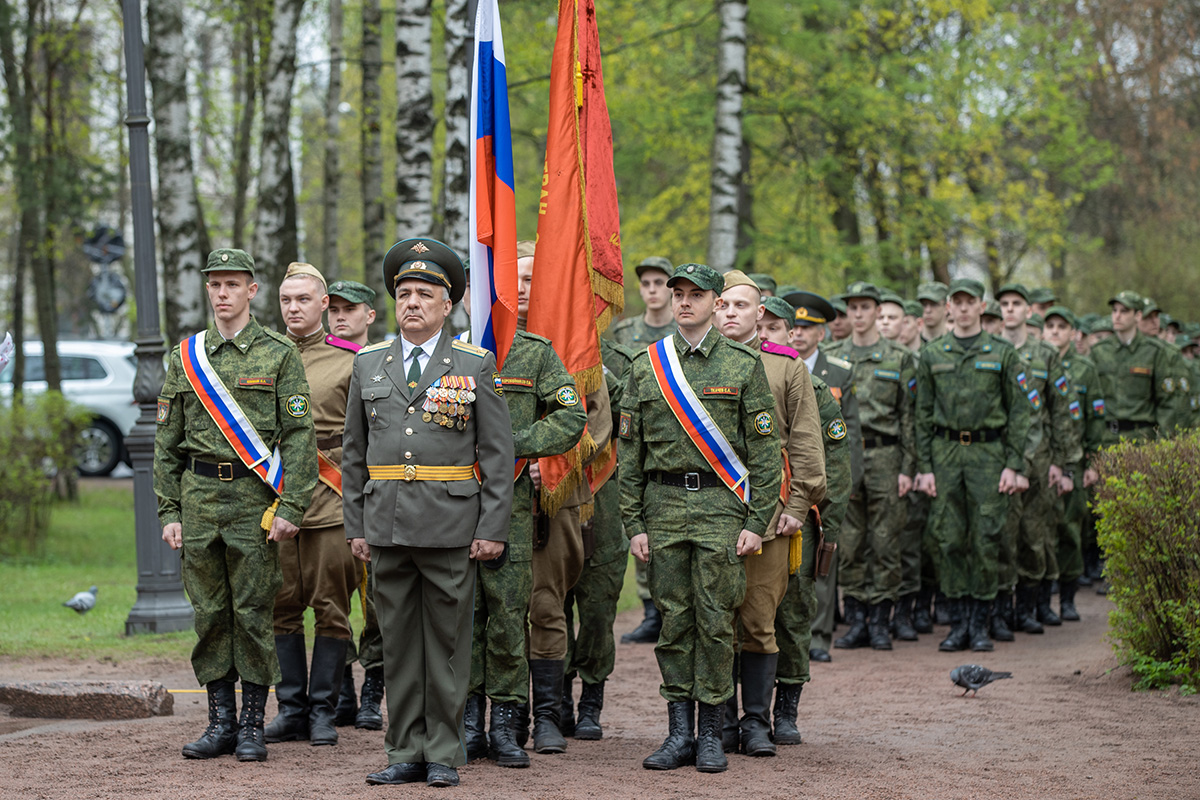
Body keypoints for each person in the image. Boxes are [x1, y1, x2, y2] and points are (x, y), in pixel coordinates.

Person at [343, 238, 514, 788]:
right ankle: (403, 750)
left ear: (448, 305)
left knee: (445, 644)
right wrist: (356, 527)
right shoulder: (369, 363)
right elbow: (353, 454)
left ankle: (442, 750)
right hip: (387, 524)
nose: (412, 303)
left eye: (425, 294)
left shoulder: (473, 363)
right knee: (396, 644)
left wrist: (492, 528)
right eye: (404, 293)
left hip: (449, 525)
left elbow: (496, 453)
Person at [155, 248, 318, 762]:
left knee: (251, 611)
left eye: (232, 284)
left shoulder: (278, 353)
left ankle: (251, 724)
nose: (222, 293)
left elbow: (298, 436)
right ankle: (219, 722)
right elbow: (167, 443)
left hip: (254, 501)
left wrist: (292, 505)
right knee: (209, 614)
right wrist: (169, 511)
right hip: (198, 498)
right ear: (208, 290)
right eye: (215, 284)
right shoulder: (185, 357)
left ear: (251, 290)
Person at [620, 263, 781, 773]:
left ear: (716, 302)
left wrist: (757, 521)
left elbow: (764, 451)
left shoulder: (742, 364)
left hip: (720, 509)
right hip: (663, 508)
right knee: (673, 621)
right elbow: (629, 454)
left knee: (714, 622)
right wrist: (634, 523)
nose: (685, 302)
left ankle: (711, 733)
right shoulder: (646, 365)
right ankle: (677, 733)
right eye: (678, 294)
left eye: (696, 294)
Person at [459, 246, 587, 767]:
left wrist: (513, 444)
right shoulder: (443, 354)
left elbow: (571, 416)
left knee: (509, 619)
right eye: (478, 288)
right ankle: (468, 723)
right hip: (448, 507)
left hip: (509, 508)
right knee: (462, 620)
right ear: (462, 296)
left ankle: (507, 724)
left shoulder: (533, 352)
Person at [715, 274, 825, 757]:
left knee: (760, 618)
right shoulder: (686, 365)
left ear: (761, 313)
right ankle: (716, 720)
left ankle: (756, 721)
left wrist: (798, 504)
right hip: (707, 512)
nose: (731, 313)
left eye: (743, 305)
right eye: (724, 304)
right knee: (712, 619)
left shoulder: (786, 368)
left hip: (770, 511)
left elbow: (805, 442)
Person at [518, 241, 613, 756]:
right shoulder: (485, 344)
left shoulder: (579, 346)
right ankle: (502, 715)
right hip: (491, 499)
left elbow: (595, 427)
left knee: (546, 606)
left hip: (557, 498)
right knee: (494, 610)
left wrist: (546, 462)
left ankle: (548, 717)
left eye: (533, 279)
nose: (524, 290)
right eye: (515, 281)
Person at [263, 263, 361, 748]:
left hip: (330, 498)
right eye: (286, 300)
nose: (294, 308)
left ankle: (324, 711)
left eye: (303, 299)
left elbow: (366, 436)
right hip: (274, 499)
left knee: (331, 608)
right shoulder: (263, 356)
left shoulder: (351, 361)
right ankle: (292, 711)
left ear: (324, 304)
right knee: (281, 607)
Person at [914, 278, 1031, 653]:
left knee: (985, 536)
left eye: (970, 302)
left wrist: (1015, 464)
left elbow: (1020, 412)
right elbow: (921, 415)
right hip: (946, 451)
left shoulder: (1003, 353)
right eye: (957, 302)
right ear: (949, 307)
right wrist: (925, 466)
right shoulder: (932, 353)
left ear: (982, 307)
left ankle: (980, 623)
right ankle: (959, 621)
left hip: (988, 453)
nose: (963, 309)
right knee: (948, 537)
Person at [756, 299, 850, 746]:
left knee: (793, 615)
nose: (768, 336)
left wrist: (827, 528)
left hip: (798, 519)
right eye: (763, 327)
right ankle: (748, 711)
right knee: (747, 614)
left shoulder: (812, 387)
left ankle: (787, 710)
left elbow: (836, 464)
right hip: (753, 515)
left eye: (776, 328)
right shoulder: (737, 378)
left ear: (791, 334)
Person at [825, 282, 917, 650]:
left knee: (885, 541)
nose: (858, 314)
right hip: (846, 453)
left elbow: (910, 417)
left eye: (865, 307)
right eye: (853, 307)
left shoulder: (899, 357)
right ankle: (858, 617)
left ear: (878, 311)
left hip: (886, 457)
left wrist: (909, 467)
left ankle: (881, 619)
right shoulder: (834, 356)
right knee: (849, 542)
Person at [994, 284, 1080, 638]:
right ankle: (999, 610)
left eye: (1017, 304)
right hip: (1000, 456)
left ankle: (1028, 607)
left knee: (1034, 534)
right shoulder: (992, 350)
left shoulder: (1045, 354)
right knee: (1000, 535)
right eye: (1005, 304)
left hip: (1040, 458)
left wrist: (1063, 462)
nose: (1010, 310)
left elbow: (1063, 411)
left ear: (1029, 312)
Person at [562, 336, 637, 742]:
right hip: (552, 493)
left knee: (597, 607)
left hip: (605, 498)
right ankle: (554, 699)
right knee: (550, 605)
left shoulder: (621, 361)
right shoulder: (539, 347)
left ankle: (591, 699)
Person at [781, 289, 863, 663]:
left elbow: (849, 438)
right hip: (786, 478)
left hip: (827, 478)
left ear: (822, 334)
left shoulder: (839, 374)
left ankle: (820, 634)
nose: (798, 334)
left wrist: (845, 487)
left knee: (822, 557)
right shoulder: (774, 369)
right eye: (793, 327)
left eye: (807, 328)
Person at [323, 279, 387, 731]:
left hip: (376, 491)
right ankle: (342, 689)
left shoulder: (384, 362)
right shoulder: (318, 360)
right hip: (329, 493)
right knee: (332, 597)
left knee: (379, 599)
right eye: (336, 309)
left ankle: (372, 694)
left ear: (371, 315)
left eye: (352, 309)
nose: (341, 317)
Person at [612, 255, 675, 644]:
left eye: (659, 283)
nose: (652, 290)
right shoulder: (624, 333)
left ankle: (673, 608)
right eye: (646, 283)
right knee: (638, 524)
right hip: (633, 437)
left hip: (675, 438)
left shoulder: (682, 328)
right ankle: (651, 609)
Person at [1042, 305, 1105, 621]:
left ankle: (1067, 600)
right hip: (1039, 461)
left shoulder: (1084, 369)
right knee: (1038, 531)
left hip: (1074, 461)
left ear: (1073, 333)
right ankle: (1039, 600)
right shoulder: (1031, 361)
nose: (1054, 331)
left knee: (1070, 530)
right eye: (1049, 325)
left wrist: (1093, 463)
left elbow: (1095, 419)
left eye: (1061, 326)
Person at [1090, 291, 1183, 443]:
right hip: (1105, 439)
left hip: (1142, 440)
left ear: (1138, 316)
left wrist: (1163, 445)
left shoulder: (1154, 351)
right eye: (1114, 310)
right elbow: (1091, 401)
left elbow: (1167, 403)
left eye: (1124, 311)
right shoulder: (1099, 351)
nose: (1117, 316)